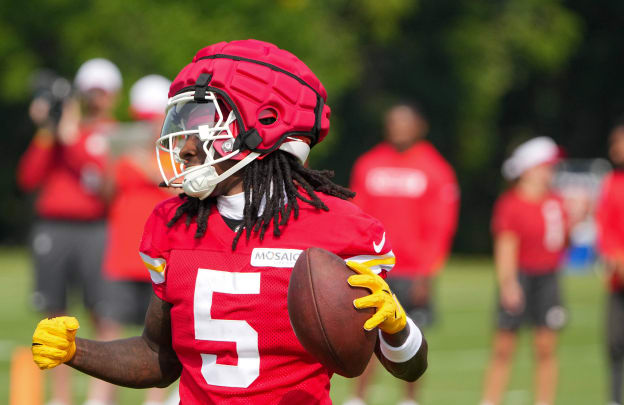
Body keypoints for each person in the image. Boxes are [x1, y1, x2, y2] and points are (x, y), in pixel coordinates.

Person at [29, 39, 428, 404]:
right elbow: (158, 355)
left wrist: (397, 328)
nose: (184, 145)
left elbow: (410, 366)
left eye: (203, 124)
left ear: (265, 126)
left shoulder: (339, 229)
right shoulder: (174, 224)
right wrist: (77, 351)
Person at [17, 58, 122, 405]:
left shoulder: (109, 134)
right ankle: (60, 397)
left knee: (103, 312)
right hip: (54, 229)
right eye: (90, 92)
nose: (95, 99)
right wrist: (49, 130)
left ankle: (100, 396)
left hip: (95, 229)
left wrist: (70, 135)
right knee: (54, 317)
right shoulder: (58, 133)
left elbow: (96, 177)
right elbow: (28, 177)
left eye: (101, 92)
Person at [348, 102, 459, 405]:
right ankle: (357, 397)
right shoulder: (368, 164)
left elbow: (441, 225)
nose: (399, 128)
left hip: (414, 270)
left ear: (420, 126)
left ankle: (409, 399)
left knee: (411, 336)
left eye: (405, 122)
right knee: (366, 333)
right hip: (374, 268)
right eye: (393, 122)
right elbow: (357, 217)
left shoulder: (436, 169)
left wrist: (429, 269)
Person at [101, 74, 177, 405]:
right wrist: (111, 160)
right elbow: (105, 194)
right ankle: (102, 396)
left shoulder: (177, 154)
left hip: (162, 253)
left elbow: (184, 189)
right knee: (110, 325)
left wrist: (146, 166)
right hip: (123, 249)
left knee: (162, 333)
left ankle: (155, 400)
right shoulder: (125, 152)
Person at [481, 136, 568, 405]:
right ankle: (490, 400)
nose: (550, 172)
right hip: (520, 276)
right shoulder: (512, 203)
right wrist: (508, 283)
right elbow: (506, 245)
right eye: (546, 166)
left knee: (545, 347)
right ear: (529, 169)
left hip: (548, 278)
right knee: (504, 347)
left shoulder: (556, 202)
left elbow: (562, 242)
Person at [596, 123, 624, 405]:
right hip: (618, 280)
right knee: (615, 343)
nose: (615, 148)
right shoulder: (612, 184)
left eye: (620, 141)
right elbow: (605, 228)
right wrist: (614, 257)